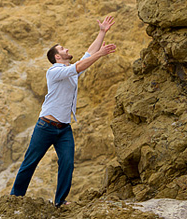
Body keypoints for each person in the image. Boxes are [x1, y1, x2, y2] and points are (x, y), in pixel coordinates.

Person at [10, 15, 117, 207]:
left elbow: (87, 55)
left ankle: (59, 202)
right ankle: (14, 199)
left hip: (64, 129)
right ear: (57, 57)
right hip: (46, 126)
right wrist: (100, 54)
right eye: (62, 49)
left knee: (67, 163)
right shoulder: (54, 71)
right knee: (30, 163)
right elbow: (82, 64)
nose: (67, 49)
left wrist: (102, 32)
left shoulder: (70, 69)